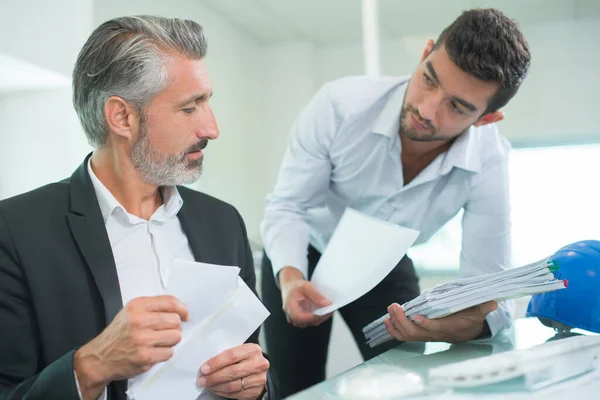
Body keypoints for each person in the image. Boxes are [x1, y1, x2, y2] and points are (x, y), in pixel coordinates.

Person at [0, 16, 276, 400]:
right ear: (122, 117)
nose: (212, 129)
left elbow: (252, 359)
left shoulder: (223, 222)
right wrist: (93, 364)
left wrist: (256, 386)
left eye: (207, 102)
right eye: (189, 108)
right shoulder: (15, 230)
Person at [260, 8, 531, 397]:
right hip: (303, 249)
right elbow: (288, 206)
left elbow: (487, 290)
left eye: (456, 107)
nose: (426, 109)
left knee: (407, 378)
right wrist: (289, 278)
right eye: (428, 80)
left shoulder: (489, 162)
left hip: (386, 262)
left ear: (486, 119)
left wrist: (460, 326)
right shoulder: (340, 105)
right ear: (423, 54)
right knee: (293, 385)